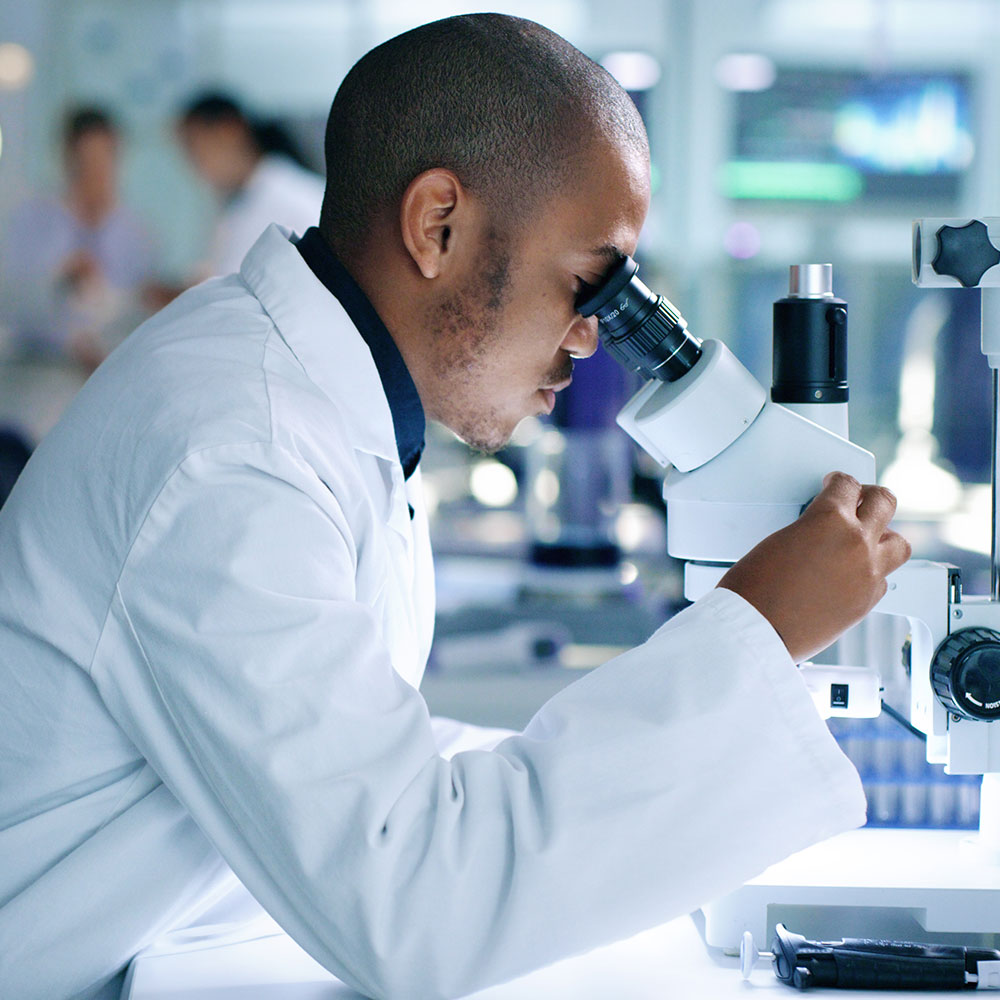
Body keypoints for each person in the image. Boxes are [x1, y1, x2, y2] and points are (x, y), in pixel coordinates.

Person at [0, 15, 910, 1000]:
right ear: (438, 224)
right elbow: (413, 908)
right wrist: (760, 628)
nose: (592, 340)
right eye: (585, 283)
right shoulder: (232, 451)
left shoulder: (295, 398)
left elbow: (354, 756)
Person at [0, 106, 158, 371]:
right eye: (86, 160)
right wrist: (60, 279)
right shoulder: (31, 219)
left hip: (110, 371)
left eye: (105, 158)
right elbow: (11, 301)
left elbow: (139, 309)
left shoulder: (137, 233)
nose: (96, 171)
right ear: (67, 156)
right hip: (39, 371)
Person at [176, 91, 325, 277]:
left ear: (228, 130)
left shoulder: (287, 196)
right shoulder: (242, 199)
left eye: (194, 147)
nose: (194, 163)